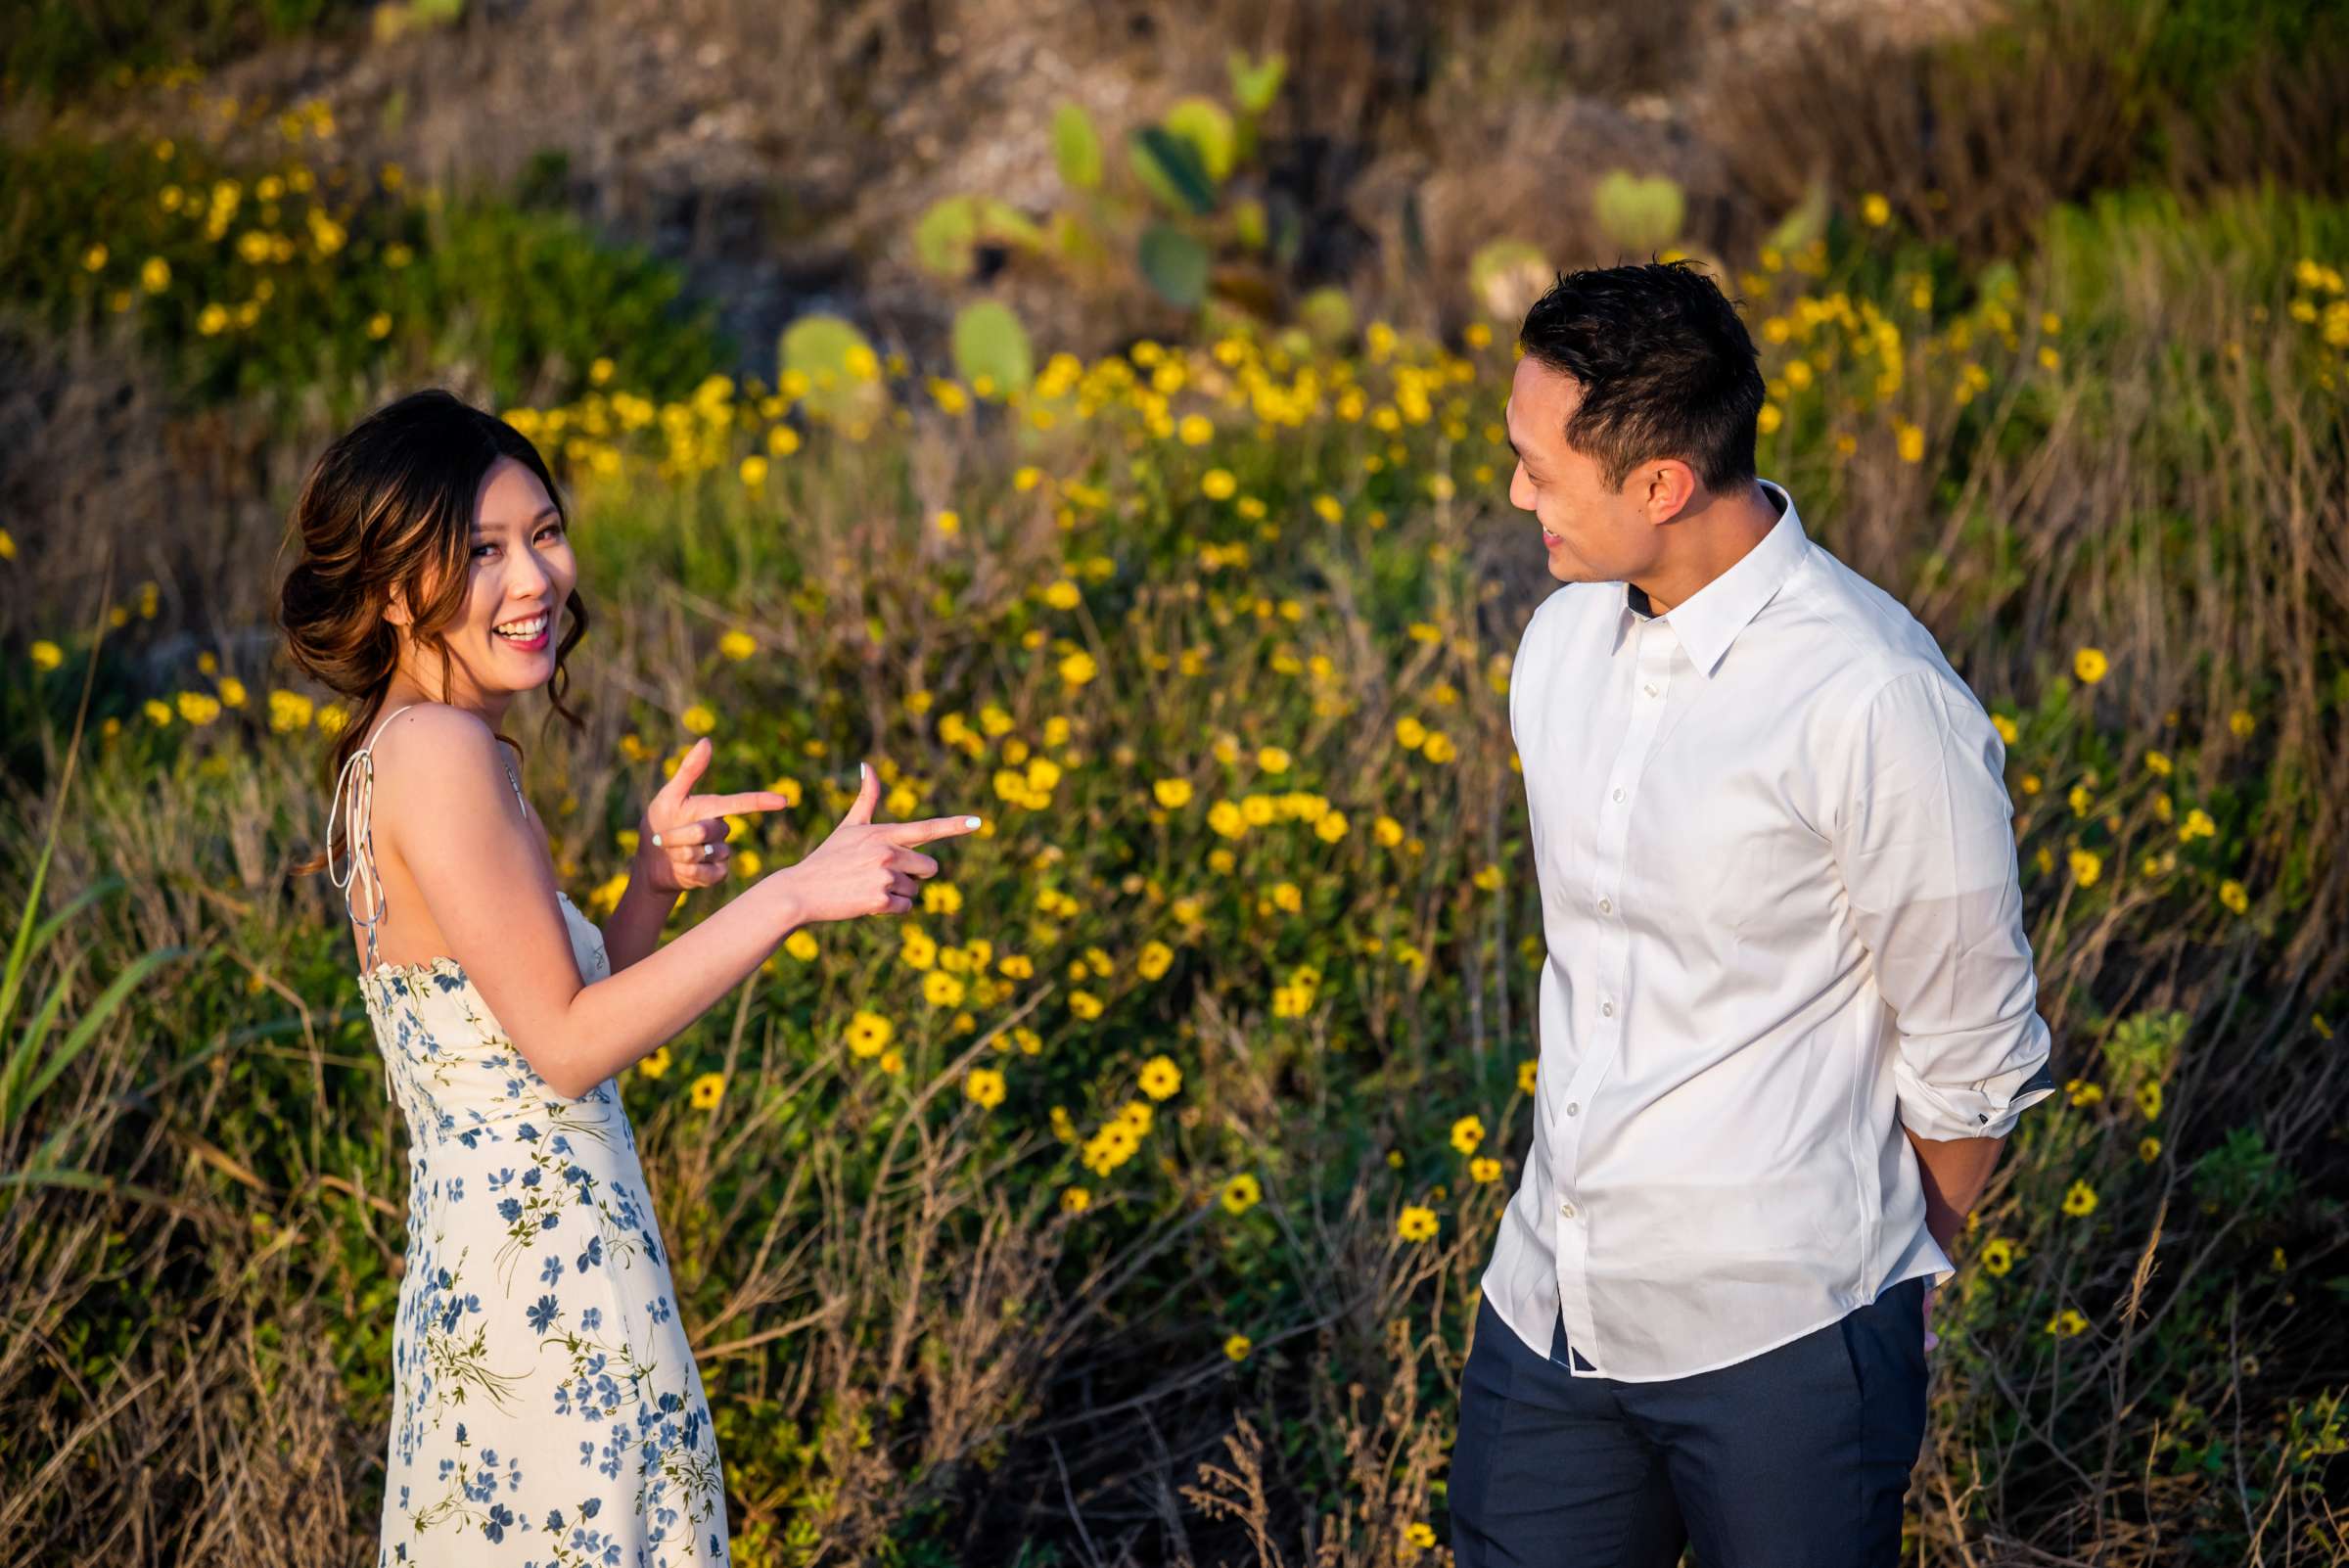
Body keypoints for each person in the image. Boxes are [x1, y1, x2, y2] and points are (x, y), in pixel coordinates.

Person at [277, 388, 980, 1566]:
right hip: (551, 1299)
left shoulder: (396, 754)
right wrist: (792, 894)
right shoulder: (443, 755)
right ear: (398, 590)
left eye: (544, 533)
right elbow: (567, 1047)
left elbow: (531, 1038)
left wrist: (648, 888)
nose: (535, 577)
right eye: (484, 550)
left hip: (499, 1277)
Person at [1450, 263, 2056, 1568]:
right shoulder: (1557, 646)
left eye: (1538, 467)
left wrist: (1863, 1275)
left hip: (1781, 1349)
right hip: (1551, 1308)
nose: (1515, 496)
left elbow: (1975, 1047)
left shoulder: (1873, 697)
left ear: (1661, 484)